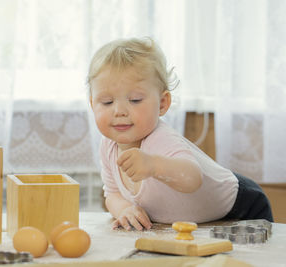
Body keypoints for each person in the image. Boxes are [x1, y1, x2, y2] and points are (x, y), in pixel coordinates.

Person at [87, 37, 273, 231]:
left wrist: (154, 165)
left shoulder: (161, 139)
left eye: (135, 100)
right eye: (107, 102)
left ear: (162, 103)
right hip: (206, 221)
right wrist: (124, 209)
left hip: (243, 206)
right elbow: (112, 194)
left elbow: (192, 179)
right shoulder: (107, 146)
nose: (119, 111)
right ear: (92, 104)